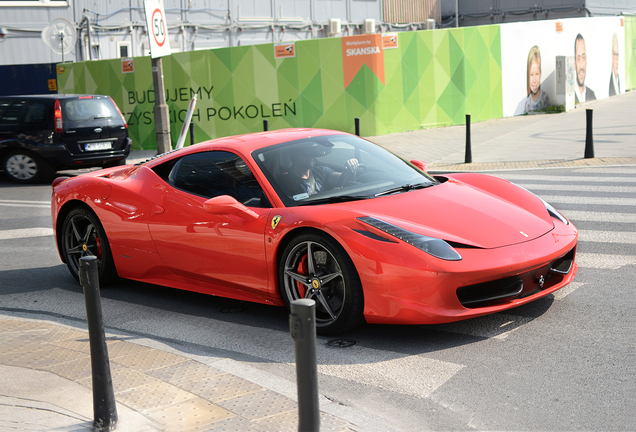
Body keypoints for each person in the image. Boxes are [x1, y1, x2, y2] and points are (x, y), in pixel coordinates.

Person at [279, 143, 358, 199]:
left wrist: (351, 168)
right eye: (307, 152)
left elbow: (346, 180)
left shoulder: (320, 171)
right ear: (293, 154)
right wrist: (331, 195)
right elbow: (298, 206)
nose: (311, 155)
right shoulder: (285, 182)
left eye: (313, 151)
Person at [524, 46, 551, 113]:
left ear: (540, 73)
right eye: (531, 75)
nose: (534, 81)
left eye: (537, 74)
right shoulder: (527, 103)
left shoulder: (545, 98)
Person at [574, 34, 596, 103]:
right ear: (574, 63)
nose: (581, 66)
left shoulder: (591, 95)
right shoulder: (570, 97)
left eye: (583, 58)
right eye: (578, 58)